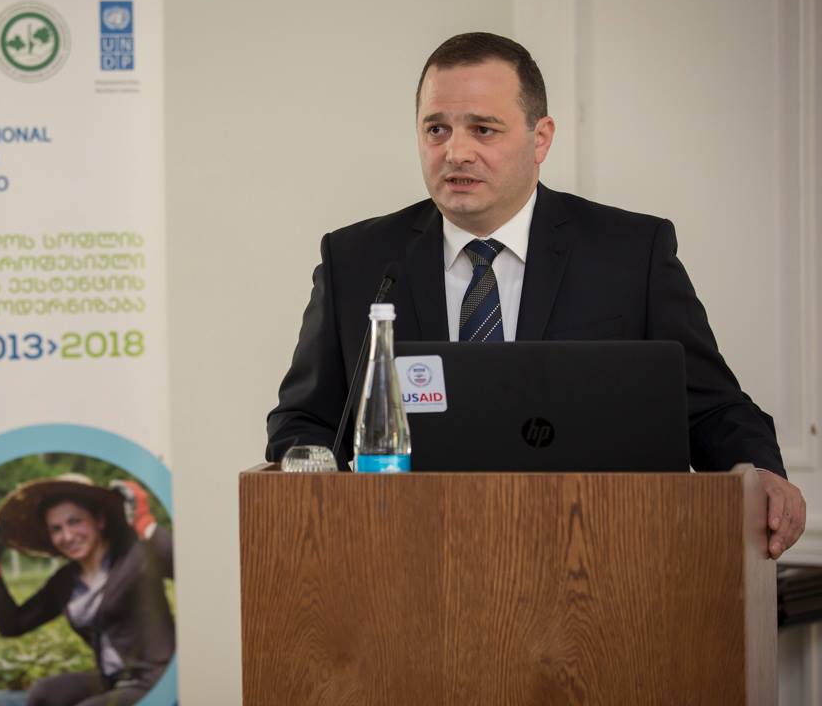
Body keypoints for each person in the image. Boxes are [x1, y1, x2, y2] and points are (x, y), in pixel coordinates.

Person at [266, 32, 806, 558]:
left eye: (483, 129)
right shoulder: (358, 261)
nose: (456, 152)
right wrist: (316, 486)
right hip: (408, 562)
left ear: (541, 137)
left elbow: (710, 409)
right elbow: (305, 422)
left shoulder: (630, 254)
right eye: (436, 129)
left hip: (593, 562)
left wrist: (761, 473)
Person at [0, 474, 174, 706]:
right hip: (113, 680)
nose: (67, 536)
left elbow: (188, 571)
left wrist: (145, 522)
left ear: (99, 520)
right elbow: (12, 625)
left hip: (159, 680)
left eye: (75, 521)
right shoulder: (66, 582)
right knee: (44, 692)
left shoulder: (136, 556)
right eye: (56, 529)